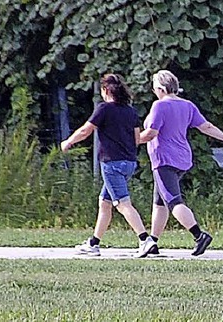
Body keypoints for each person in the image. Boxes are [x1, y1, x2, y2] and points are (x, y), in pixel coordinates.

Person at [139, 70, 223, 256]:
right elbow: (205, 126)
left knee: (174, 202)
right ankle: (152, 241)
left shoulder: (159, 106)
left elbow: (151, 133)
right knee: (159, 202)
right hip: (182, 159)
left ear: (160, 88)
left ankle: (199, 235)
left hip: (164, 160)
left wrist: (131, 139)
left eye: (154, 88)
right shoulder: (187, 105)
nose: (154, 91)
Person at [61, 73, 157, 258]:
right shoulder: (130, 111)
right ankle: (94, 243)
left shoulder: (104, 108)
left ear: (105, 90)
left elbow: (85, 130)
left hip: (111, 163)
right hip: (129, 163)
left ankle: (145, 240)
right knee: (104, 203)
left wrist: (69, 142)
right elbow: (137, 139)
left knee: (122, 204)